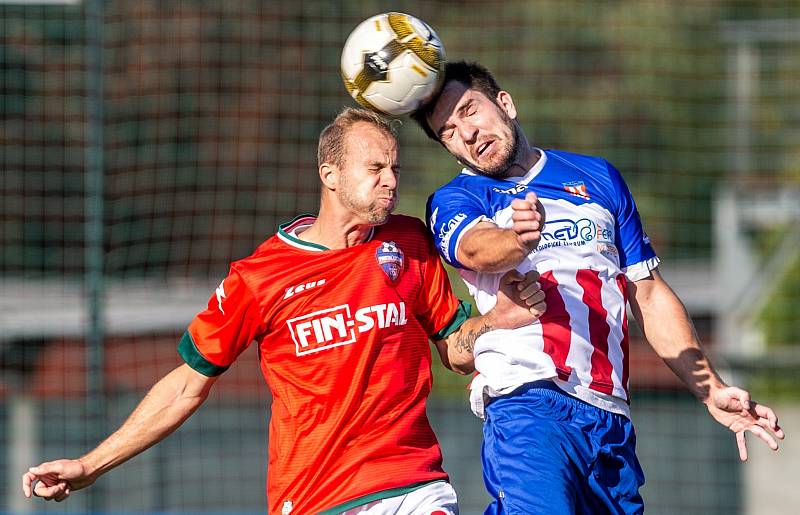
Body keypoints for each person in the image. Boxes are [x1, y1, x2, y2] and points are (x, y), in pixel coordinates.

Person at [21, 107, 546, 514]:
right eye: (375, 167)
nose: (390, 179)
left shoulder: (410, 242)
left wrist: (494, 321)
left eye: (395, 168)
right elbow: (186, 385)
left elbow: (454, 350)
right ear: (330, 174)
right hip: (314, 495)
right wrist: (90, 464)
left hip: (413, 483)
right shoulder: (258, 276)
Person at [411, 61, 786, 514]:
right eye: (447, 131)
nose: (465, 133)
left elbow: (647, 293)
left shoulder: (598, 178)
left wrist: (710, 389)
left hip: (609, 416)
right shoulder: (457, 199)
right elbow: (473, 249)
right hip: (528, 402)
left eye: (469, 111)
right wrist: (515, 239)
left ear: (505, 103)